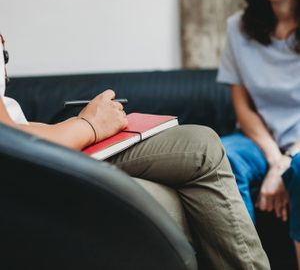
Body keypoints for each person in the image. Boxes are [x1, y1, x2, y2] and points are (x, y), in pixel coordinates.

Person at [0, 32, 270, 269]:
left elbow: (14, 124)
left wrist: (77, 126)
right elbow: (7, 137)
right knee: (183, 185)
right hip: (25, 174)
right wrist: (88, 125)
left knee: (200, 144)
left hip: (33, 156)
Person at [217, 0, 300, 268]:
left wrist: (288, 159)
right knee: (219, 157)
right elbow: (244, 108)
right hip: (257, 138)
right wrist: (275, 159)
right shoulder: (237, 28)